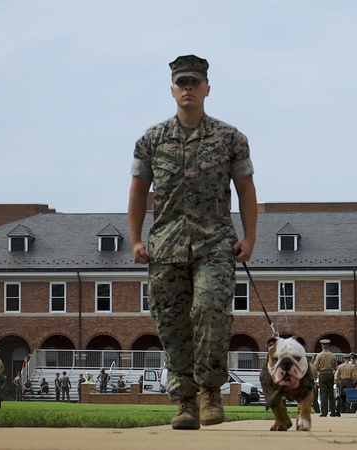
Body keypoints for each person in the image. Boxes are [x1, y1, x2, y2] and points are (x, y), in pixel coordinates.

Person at [127, 54, 258, 431]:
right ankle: (185, 402)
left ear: (206, 89)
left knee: (210, 309)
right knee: (171, 324)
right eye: (181, 83)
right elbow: (137, 193)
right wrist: (135, 239)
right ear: (172, 90)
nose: (188, 88)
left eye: (194, 83)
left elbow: (246, 191)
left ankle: (210, 392)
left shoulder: (231, 139)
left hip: (215, 244)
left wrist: (250, 238)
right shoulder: (151, 141)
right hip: (165, 247)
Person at [312, 339, 337, 417]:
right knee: (331, 393)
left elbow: (316, 366)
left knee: (323, 394)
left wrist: (318, 372)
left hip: (322, 375)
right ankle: (333, 411)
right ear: (328, 346)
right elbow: (335, 366)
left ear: (322, 346)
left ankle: (324, 412)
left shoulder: (319, 355)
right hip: (330, 374)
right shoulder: (332, 355)